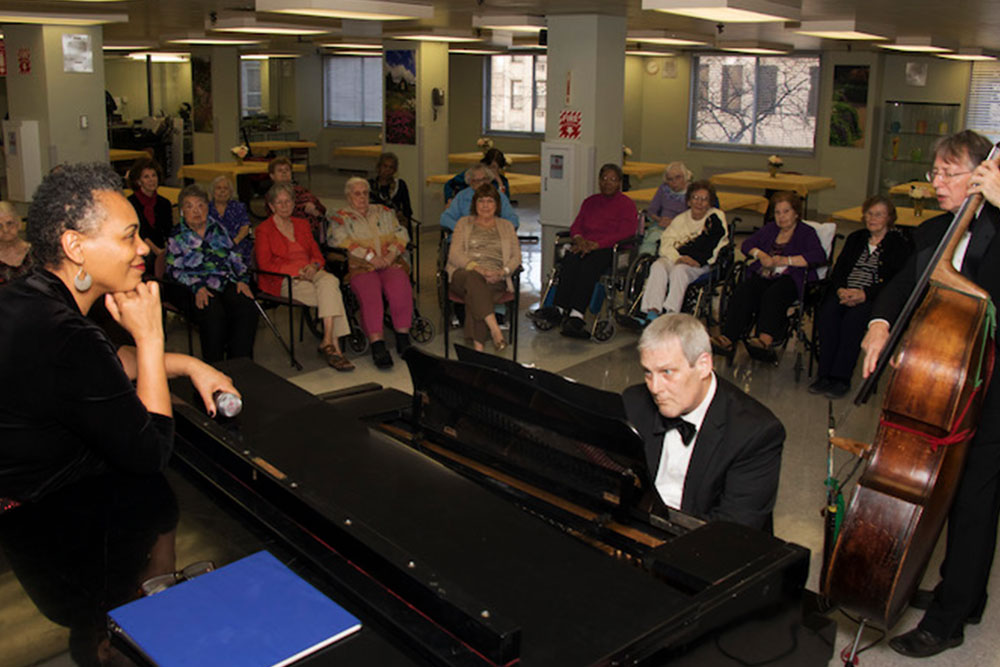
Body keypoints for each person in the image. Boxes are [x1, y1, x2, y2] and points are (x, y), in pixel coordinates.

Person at [0, 163, 238, 503]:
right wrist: (151, 336)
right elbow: (151, 455)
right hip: (42, 515)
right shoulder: (68, 335)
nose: (143, 248)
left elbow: (108, 361)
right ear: (75, 247)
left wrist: (191, 365)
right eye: (129, 236)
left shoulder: (27, 296)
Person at [860, 130, 1000, 658]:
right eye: (934, 172)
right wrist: (880, 323)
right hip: (943, 383)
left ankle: (950, 619)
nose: (934, 182)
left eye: (947, 173)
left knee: (973, 503)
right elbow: (902, 286)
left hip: (991, 388)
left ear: (983, 175)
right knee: (947, 492)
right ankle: (962, 594)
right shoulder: (935, 230)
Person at [623, 313, 784, 532]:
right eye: (648, 373)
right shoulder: (635, 401)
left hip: (707, 547)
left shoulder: (756, 432)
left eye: (667, 372)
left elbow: (733, 530)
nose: (654, 387)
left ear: (703, 365)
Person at [809, 195, 911, 399]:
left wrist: (865, 294)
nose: (872, 218)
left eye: (879, 215)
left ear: (889, 218)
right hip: (845, 292)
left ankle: (841, 378)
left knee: (853, 322)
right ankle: (824, 375)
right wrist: (840, 290)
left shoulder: (898, 243)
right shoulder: (856, 238)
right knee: (827, 316)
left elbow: (894, 281)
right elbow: (838, 271)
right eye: (870, 214)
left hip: (872, 297)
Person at [531, 163, 639, 339]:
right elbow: (577, 225)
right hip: (586, 245)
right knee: (570, 259)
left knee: (589, 265)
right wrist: (579, 239)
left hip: (609, 249)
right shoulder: (590, 202)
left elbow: (626, 232)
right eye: (604, 179)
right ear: (599, 181)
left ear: (619, 182)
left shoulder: (626, 205)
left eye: (612, 180)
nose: (607, 183)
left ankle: (576, 315)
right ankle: (558, 309)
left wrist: (597, 244)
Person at [711, 191, 825, 355]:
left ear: (796, 213)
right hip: (765, 274)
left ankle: (764, 340)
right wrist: (761, 255)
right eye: (778, 212)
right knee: (744, 289)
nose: (781, 216)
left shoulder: (806, 232)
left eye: (786, 211)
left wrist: (787, 260)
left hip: (791, 278)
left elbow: (818, 256)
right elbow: (747, 245)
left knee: (774, 293)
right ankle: (728, 338)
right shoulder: (770, 229)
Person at [255, 182, 354, 372]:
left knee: (330, 282)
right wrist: (297, 271)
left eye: (288, 201)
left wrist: (314, 265)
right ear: (271, 206)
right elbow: (265, 264)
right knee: (332, 294)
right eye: (280, 203)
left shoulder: (302, 224)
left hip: (311, 272)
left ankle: (326, 340)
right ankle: (336, 350)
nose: (284, 206)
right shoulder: (264, 230)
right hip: (283, 279)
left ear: (294, 203)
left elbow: (317, 255)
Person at [166, 185, 259, 363]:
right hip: (191, 285)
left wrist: (242, 280)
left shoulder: (218, 229)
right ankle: (214, 367)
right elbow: (174, 270)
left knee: (246, 306)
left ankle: (240, 364)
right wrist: (196, 286)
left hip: (223, 280)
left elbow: (234, 257)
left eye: (200, 205)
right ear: (182, 211)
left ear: (208, 207)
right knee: (213, 314)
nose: (196, 211)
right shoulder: (176, 235)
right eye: (190, 206)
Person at [328, 177, 413, 369]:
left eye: (365, 193)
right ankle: (378, 344)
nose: (362, 197)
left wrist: (391, 254)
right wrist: (370, 257)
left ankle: (403, 338)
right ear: (348, 196)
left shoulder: (384, 211)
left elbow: (402, 233)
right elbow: (339, 240)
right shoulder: (339, 216)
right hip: (361, 267)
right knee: (371, 294)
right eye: (357, 193)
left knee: (400, 286)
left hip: (389, 262)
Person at [445, 184, 522, 352]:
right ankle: (495, 330)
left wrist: (502, 272)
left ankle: (478, 352)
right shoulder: (463, 223)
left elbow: (516, 257)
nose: (485, 205)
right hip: (463, 275)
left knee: (478, 295)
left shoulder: (506, 226)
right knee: (475, 279)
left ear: (497, 205)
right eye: (481, 201)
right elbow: (454, 255)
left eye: (490, 201)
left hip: (495, 278)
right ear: (475, 204)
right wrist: (479, 269)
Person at [639, 180, 727, 320]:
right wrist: (677, 258)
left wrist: (695, 259)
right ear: (688, 201)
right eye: (695, 198)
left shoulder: (716, 217)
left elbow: (716, 243)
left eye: (704, 199)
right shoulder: (680, 219)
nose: (699, 202)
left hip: (702, 263)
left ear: (710, 202)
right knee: (658, 266)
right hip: (677, 258)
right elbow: (666, 242)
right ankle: (653, 310)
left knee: (679, 271)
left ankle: (671, 313)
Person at [125, 156, 173, 274]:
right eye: (146, 177)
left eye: (154, 176)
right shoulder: (130, 203)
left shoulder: (164, 203)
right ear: (138, 181)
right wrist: (157, 251)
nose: (151, 180)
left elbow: (169, 231)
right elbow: (140, 233)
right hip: (139, 247)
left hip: (161, 249)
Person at [439, 163, 519, 231]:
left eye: (484, 179)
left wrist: (497, 229)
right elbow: (445, 218)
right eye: (476, 181)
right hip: (465, 237)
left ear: (489, 180)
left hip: (492, 237)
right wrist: (461, 228)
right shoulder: (462, 196)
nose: (481, 184)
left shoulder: (499, 196)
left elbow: (513, 220)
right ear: (470, 182)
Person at [267, 157, 326, 245]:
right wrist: (304, 208)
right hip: (289, 232)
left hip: (313, 230)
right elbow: (283, 213)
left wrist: (315, 209)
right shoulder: (271, 195)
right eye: (280, 170)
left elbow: (322, 208)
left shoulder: (301, 189)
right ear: (272, 176)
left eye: (287, 170)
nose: (284, 173)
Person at [639, 162, 694, 256]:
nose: (674, 182)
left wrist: (673, 222)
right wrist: (660, 219)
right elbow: (651, 211)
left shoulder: (693, 191)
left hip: (683, 229)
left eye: (678, 177)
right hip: (661, 226)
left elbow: (695, 217)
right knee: (650, 240)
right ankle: (645, 264)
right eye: (670, 179)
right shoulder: (663, 189)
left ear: (685, 177)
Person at [208, 174, 253, 268]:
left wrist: (234, 242)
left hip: (236, 244)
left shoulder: (239, 207)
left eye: (226, 188)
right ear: (213, 191)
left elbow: (245, 227)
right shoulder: (206, 208)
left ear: (231, 192)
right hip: (212, 245)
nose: (222, 191)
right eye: (218, 188)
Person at [444, 148, 511, 202]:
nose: (491, 171)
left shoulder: (502, 182)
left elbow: (505, 203)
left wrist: (500, 183)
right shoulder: (471, 174)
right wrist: (449, 199)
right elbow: (449, 184)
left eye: (494, 168)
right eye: (489, 167)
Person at [368, 152, 413, 230]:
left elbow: (407, 210)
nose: (387, 170)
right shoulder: (370, 185)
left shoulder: (400, 185)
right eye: (385, 166)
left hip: (396, 224)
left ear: (395, 170)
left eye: (391, 167)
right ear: (378, 167)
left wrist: (401, 215)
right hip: (375, 224)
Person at [0, 201, 32, 284]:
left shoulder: (37, 253)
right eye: (0, 226)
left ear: (19, 223)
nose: (5, 230)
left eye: (9, 223)